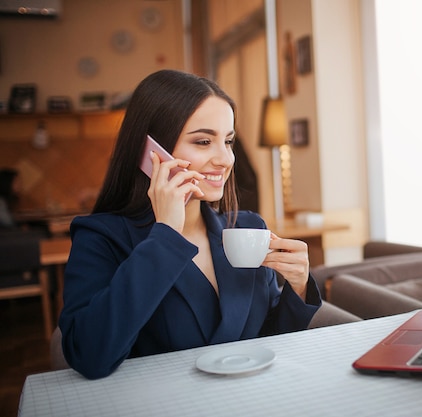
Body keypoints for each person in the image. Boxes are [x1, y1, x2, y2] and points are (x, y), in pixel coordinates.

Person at [58, 69, 322, 379]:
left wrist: (299, 287)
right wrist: (165, 234)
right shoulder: (101, 237)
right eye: (203, 141)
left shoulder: (247, 229)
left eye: (228, 141)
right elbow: (88, 355)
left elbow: (269, 339)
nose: (225, 159)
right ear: (150, 153)